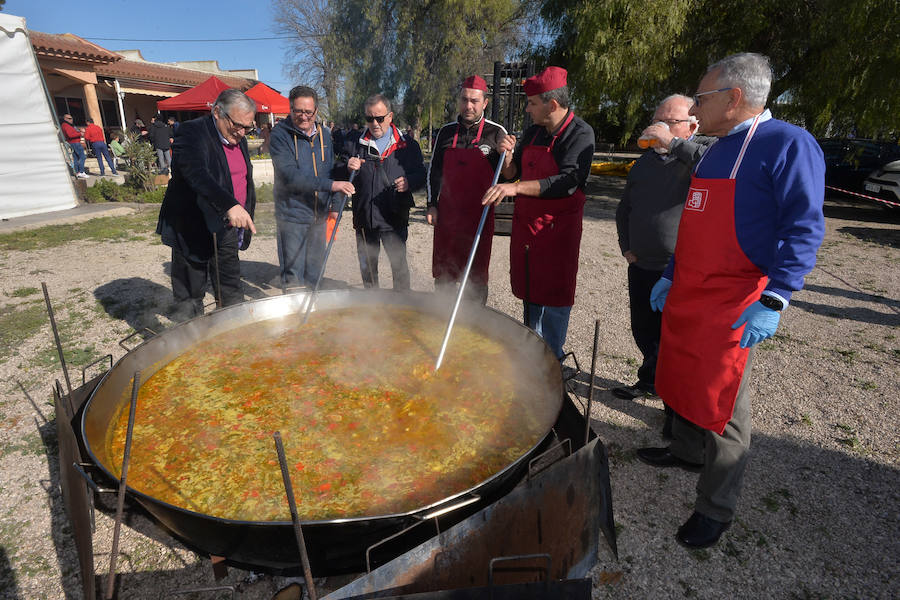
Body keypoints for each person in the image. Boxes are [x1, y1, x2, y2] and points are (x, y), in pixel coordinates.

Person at [637, 53, 825, 549]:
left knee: (723, 398)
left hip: (735, 297)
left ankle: (715, 508)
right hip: (690, 288)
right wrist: (673, 273)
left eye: (703, 96)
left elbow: (804, 227)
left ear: (734, 97)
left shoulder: (787, 144)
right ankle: (683, 449)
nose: (697, 107)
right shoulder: (717, 150)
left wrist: (778, 296)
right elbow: (695, 225)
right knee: (679, 373)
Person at [613, 95, 715, 436]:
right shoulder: (643, 163)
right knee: (644, 330)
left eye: (670, 122)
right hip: (641, 265)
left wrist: (673, 143)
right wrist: (626, 246)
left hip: (678, 271)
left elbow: (713, 166)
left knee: (675, 343)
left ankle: (677, 414)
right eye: (658, 119)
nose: (659, 127)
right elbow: (624, 208)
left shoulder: (701, 157)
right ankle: (649, 381)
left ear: (692, 126)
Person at [481, 66, 595, 360]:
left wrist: (516, 189)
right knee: (530, 289)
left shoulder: (579, 133)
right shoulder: (533, 132)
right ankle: (532, 351)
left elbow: (568, 181)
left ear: (552, 104)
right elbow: (512, 174)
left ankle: (552, 358)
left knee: (555, 295)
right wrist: (506, 158)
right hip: (527, 230)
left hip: (558, 232)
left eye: (532, 103)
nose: (528, 110)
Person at [156, 89, 258, 318]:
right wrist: (230, 205)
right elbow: (197, 174)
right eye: (237, 125)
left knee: (231, 289)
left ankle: (235, 338)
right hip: (192, 228)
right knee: (190, 298)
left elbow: (242, 176)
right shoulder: (191, 132)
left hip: (225, 229)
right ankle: (192, 343)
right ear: (217, 112)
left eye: (247, 127)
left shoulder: (237, 136)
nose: (242, 132)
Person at [427, 75, 507, 304]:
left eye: (474, 100)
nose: (468, 106)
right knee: (444, 274)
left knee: (476, 276)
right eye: (464, 100)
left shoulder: (496, 132)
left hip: (479, 218)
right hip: (448, 218)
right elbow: (434, 171)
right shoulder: (445, 132)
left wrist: (508, 155)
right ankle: (442, 316)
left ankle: (474, 324)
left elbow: (511, 175)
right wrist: (432, 205)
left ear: (485, 102)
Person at [270, 86, 354, 289]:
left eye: (308, 112)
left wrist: (335, 207)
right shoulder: (280, 135)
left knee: (316, 275)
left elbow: (331, 170)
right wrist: (333, 186)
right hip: (292, 216)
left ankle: (314, 318)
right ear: (290, 109)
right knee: (293, 277)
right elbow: (291, 177)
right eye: (298, 111)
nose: (303, 116)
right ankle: (295, 317)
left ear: (316, 111)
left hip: (320, 216)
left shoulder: (324, 134)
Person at [342, 94, 426, 290]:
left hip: (394, 216)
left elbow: (422, 174)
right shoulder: (354, 143)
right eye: (369, 118)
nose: (374, 123)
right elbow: (337, 170)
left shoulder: (408, 145)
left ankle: (402, 308)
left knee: (399, 267)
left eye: (379, 118)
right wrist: (347, 166)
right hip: (364, 216)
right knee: (368, 269)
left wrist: (409, 182)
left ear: (390, 117)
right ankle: (373, 308)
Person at [60, 113, 88, 179]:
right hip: (75, 143)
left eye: (72, 118)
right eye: (69, 118)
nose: (71, 120)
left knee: (76, 158)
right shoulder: (66, 125)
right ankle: (81, 171)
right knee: (82, 157)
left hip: (74, 142)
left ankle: (78, 172)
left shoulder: (68, 125)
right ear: (65, 119)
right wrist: (79, 134)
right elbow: (70, 135)